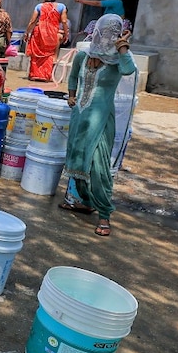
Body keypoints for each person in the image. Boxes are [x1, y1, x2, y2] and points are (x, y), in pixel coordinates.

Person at [58, 14, 136, 237]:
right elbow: (73, 78)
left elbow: (129, 70)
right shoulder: (83, 56)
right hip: (80, 115)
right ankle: (85, 202)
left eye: (114, 34)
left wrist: (122, 47)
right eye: (106, 32)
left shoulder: (117, 62)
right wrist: (71, 97)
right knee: (76, 160)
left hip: (101, 120)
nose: (108, 38)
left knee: (98, 167)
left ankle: (104, 214)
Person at [24, 0, 68, 82]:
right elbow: (64, 21)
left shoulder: (39, 6)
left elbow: (32, 21)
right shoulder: (61, 6)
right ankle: (45, 77)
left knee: (36, 55)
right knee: (48, 54)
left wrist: (27, 32)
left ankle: (34, 75)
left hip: (39, 33)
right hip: (51, 34)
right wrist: (66, 34)